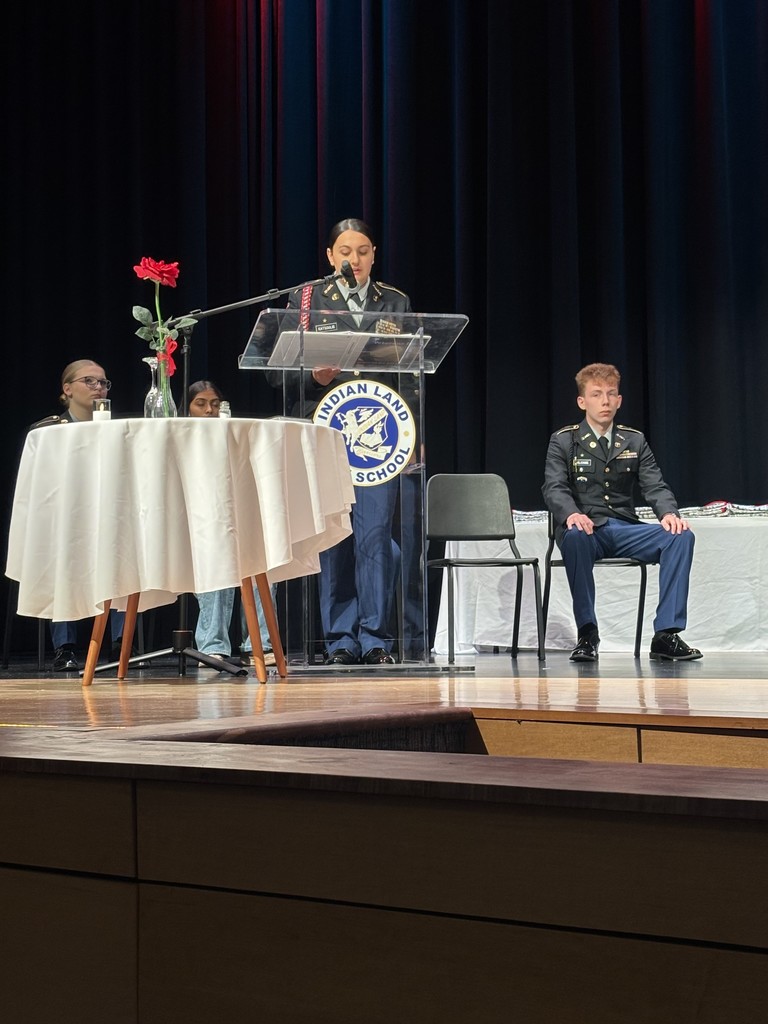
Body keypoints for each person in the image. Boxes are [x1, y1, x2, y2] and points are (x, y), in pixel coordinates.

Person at [279, 218, 414, 666]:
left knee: (375, 537)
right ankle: (340, 640)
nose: (352, 259)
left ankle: (374, 638)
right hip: (325, 436)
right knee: (334, 538)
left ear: (373, 254)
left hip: (379, 437)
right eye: (344, 251)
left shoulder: (394, 301)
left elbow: (411, 374)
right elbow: (277, 372)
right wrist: (311, 376)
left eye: (361, 251)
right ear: (330, 257)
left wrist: (413, 435)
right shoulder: (305, 299)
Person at [542, 362, 702, 663]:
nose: (604, 401)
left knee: (680, 536)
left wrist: (668, 513)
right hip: (587, 530)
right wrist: (572, 513)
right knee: (575, 536)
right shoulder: (564, 441)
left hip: (625, 528)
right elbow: (554, 487)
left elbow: (655, 484)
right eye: (596, 394)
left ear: (619, 400)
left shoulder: (633, 440)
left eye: (610, 394)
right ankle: (587, 633)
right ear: (582, 401)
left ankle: (666, 634)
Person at [188, 380, 277, 667]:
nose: (209, 410)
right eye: (200, 404)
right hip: (202, 520)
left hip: (239, 514)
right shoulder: (183, 438)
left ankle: (259, 644)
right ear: (187, 408)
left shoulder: (235, 434)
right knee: (216, 569)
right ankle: (213, 645)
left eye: (214, 404)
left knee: (263, 566)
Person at [48, 360, 126, 670]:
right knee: (62, 556)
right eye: (90, 382)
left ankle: (121, 642)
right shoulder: (51, 431)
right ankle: (64, 647)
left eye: (104, 383)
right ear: (67, 389)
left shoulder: (116, 430)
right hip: (67, 519)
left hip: (109, 515)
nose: (99, 388)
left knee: (126, 554)